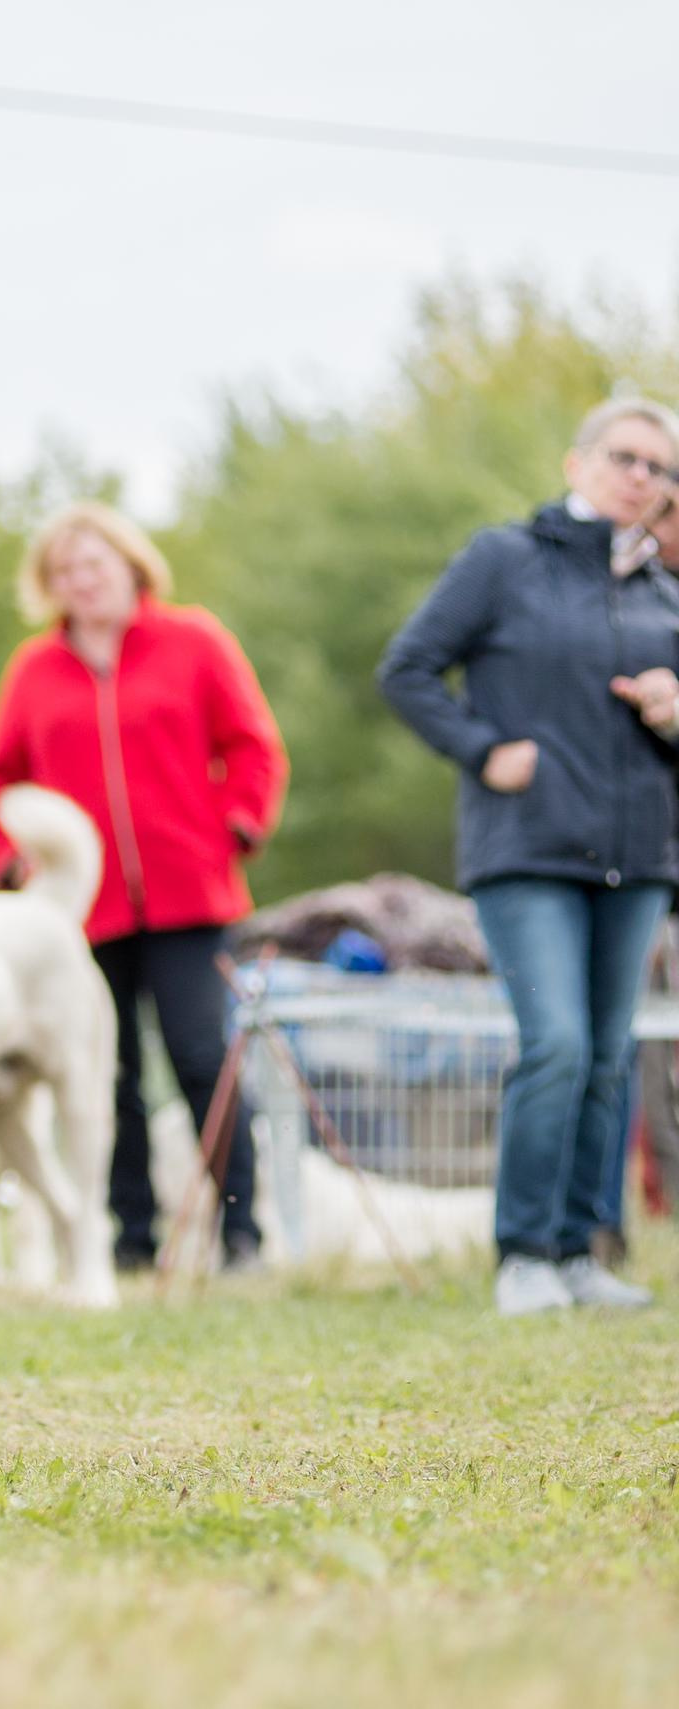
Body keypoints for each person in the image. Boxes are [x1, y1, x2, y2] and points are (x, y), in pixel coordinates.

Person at [378, 397, 679, 1316]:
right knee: (555, 1044)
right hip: (530, 849)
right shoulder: (505, 560)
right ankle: (524, 1257)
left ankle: (582, 1253)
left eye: (662, 471)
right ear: (578, 461)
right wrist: (482, 749)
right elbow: (410, 668)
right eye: (628, 458)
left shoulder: (665, 592)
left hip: (638, 856)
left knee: (609, 1054)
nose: (644, 479)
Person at [0, 503, 286, 1275]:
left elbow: (252, 745)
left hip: (189, 894)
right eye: (65, 570)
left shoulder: (194, 639)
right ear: (49, 586)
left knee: (199, 1056)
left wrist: (236, 823)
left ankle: (242, 1232)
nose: (83, 580)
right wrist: (11, 858)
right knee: (102, 1072)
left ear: (130, 564)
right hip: (83, 907)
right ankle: (130, 1236)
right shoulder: (33, 670)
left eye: (95, 563)